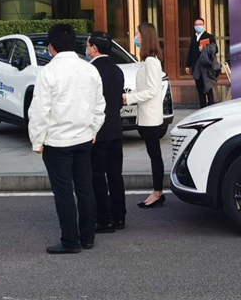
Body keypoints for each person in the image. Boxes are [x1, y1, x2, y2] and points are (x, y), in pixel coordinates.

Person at [28, 24, 105, 254]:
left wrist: (37, 141)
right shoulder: (90, 70)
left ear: (51, 47)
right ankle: (87, 238)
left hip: (57, 141)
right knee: (85, 188)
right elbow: (99, 105)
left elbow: (40, 111)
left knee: (63, 192)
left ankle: (71, 241)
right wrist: (93, 131)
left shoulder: (48, 72)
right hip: (84, 139)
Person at [86, 31, 127, 232]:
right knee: (115, 174)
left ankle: (104, 218)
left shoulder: (91, 71)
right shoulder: (117, 70)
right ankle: (120, 217)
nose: (86, 49)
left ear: (94, 48)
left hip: (98, 130)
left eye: (87, 45)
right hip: (116, 128)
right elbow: (118, 101)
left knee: (97, 175)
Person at [124, 22, 165, 208]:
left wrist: (129, 98)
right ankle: (157, 191)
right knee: (153, 154)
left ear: (145, 37)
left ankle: (158, 192)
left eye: (138, 34)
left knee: (155, 155)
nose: (135, 37)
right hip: (145, 116)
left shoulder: (151, 62)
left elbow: (151, 91)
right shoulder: (147, 61)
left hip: (150, 117)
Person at [185, 18, 217, 108]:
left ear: (203, 25)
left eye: (200, 24)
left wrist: (204, 49)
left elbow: (215, 50)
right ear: (194, 26)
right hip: (196, 67)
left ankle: (211, 107)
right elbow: (191, 52)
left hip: (206, 66)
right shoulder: (193, 37)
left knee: (208, 87)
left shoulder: (209, 37)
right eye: (196, 24)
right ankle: (202, 108)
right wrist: (188, 65)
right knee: (199, 88)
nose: (198, 26)